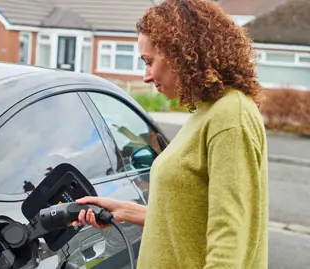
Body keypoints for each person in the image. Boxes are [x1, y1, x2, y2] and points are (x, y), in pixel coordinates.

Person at [71, 0, 269, 268]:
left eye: (149, 62)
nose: (146, 76)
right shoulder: (206, 112)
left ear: (182, 52)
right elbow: (193, 218)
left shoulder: (230, 115)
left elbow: (229, 233)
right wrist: (126, 211)